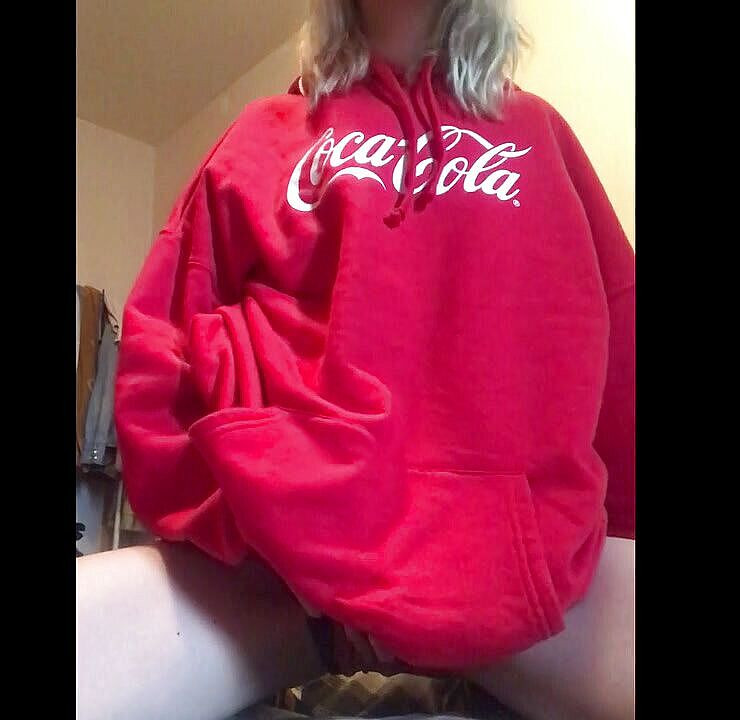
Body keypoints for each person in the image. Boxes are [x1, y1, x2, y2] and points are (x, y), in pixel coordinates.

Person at [104, 1, 635, 718]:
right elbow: (159, 363)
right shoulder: (263, 135)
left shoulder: (541, 135)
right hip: (285, 584)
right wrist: (265, 532)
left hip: (525, 587)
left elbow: (623, 374)